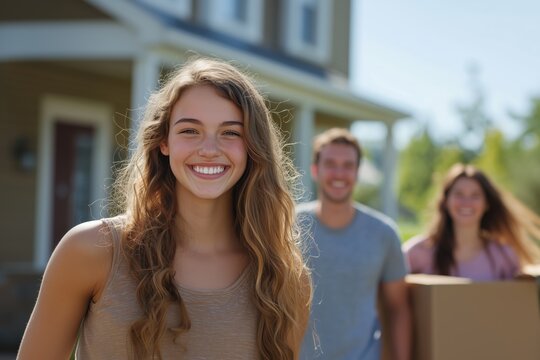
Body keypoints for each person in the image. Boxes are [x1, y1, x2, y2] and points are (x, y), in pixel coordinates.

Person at [18, 57, 311, 360]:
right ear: (163, 142)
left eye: (231, 132)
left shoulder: (282, 278)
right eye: (189, 131)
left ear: (253, 147)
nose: (209, 149)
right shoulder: (93, 250)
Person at [298, 128, 411, 360]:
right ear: (315, 170)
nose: (339, 173)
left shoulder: (384, 233)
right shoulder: (287, 226)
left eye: (348, 165)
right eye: (330, 163)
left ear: (357, 172)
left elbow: (398, 309)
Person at [403, 163, 540, 281]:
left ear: (487, 204)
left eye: (475, 196)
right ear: (445, 201)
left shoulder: (503, 256)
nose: (466, 203)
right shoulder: (418, 253)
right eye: (459, 194)